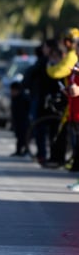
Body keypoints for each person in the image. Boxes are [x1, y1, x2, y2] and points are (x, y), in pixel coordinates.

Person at [45, 27, 79, 169]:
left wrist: (49, 67)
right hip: (71, 102)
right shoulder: (72, 57)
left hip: (75, 105)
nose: (68, 44)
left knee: (65, 131)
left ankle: (65, 160)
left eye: (70, 41)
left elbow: (57, 72)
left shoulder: (71, 57)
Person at [9, 81, 30, 156]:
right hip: (17, 121)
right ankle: (19, 151)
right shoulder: (14, 98)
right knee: (18, 136)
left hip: (23, 121)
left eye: (13, 91)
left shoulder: (23, 98)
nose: (12, 92)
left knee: (23, 136)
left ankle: (25, 150)